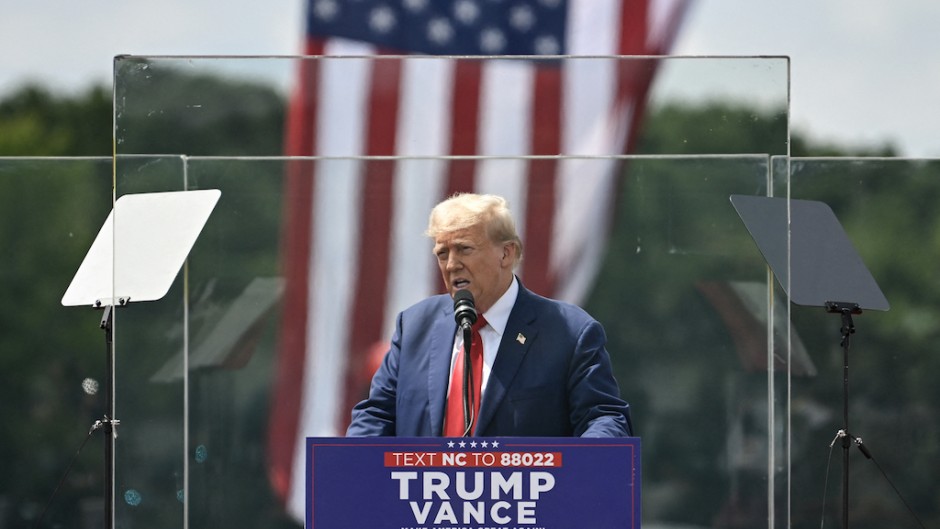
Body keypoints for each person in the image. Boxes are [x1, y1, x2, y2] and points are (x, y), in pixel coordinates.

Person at [346, 193, 632, 437]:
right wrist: (354, 467)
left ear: (507, 254)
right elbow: (376, 416)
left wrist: (580, 467)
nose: (451, 265)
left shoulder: (567, 331)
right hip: (423, 501)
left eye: (464, 250)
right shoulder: (414, 327)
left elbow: (604, 417)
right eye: (442, 253)